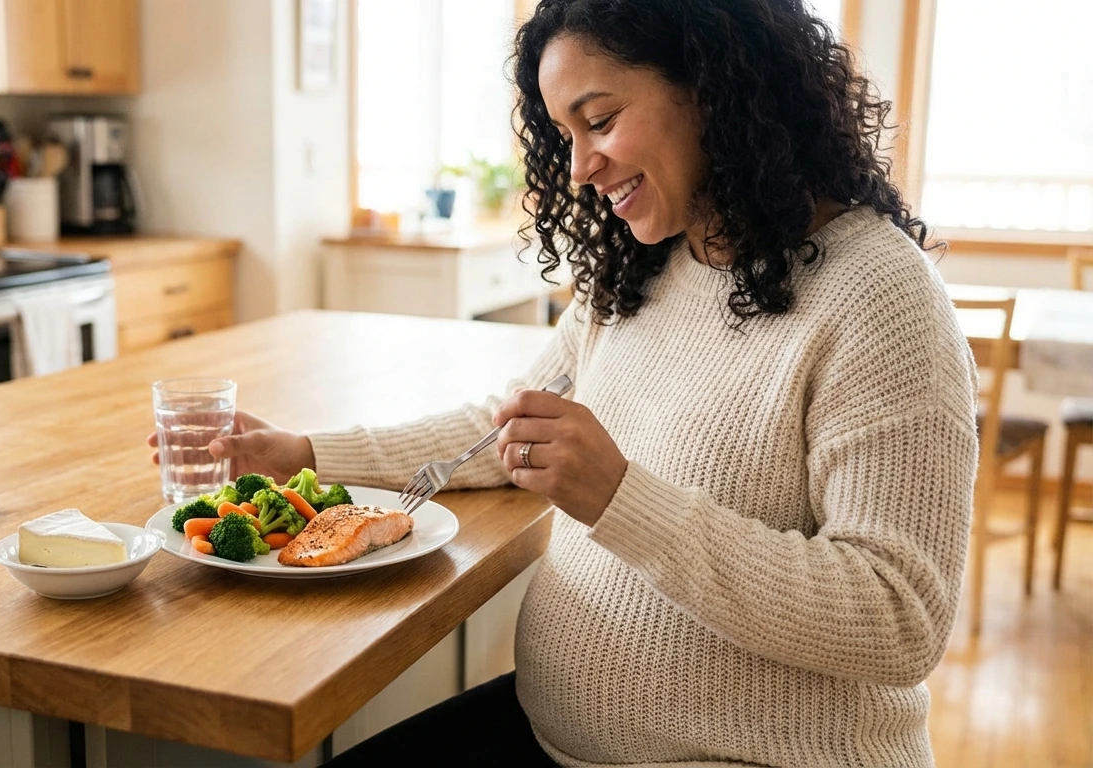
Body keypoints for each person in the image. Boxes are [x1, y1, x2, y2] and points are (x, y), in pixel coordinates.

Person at [149, 1, 976, 765]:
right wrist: (303, 454)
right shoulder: (649, 265)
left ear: (716, 86)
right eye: (563, 134)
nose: (580, 166)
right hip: (555, 738)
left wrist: (621, 499)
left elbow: (898, 616)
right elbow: (500, 427)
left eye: (602, 120)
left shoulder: (880, 297)